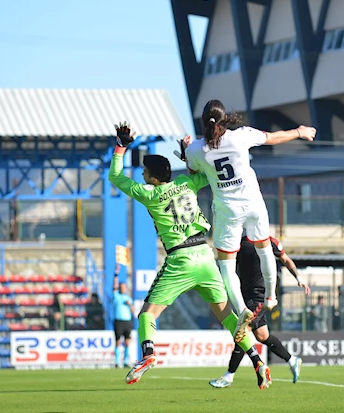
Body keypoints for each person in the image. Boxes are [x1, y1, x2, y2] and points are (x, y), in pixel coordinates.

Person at [108, 122, 272, 389]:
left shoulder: (149, 193)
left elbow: (115, 177)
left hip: (180, 259)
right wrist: (189, 155)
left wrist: (121, 146)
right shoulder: (186, 183)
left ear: (151, 177)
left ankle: (148, 354)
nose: (143, 176)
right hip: (205, 256)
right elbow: (210, 173)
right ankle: (257, 362)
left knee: (147, 315)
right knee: (228, 316)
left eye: (145, 172)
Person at [183, 99, 316, 340]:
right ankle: (271, 297)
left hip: (227, 211)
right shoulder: (241, 136)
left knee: (226, 264)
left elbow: (193, 170)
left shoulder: (196, 149)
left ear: (203, 122)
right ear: (225, 119)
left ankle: (242, 310)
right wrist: (300, 131)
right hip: (253, 203)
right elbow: (274, 138)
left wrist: (185, 149)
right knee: (264, 249)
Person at [209, 236, 310, 388]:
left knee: (242, 332)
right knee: (263, 336)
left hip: (260, 296)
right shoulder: (238, 242)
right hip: (244, 295)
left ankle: (229, 376)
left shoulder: (269, 241)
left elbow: (286, 259)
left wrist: (299, 277)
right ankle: (291, 360)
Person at [112, 263, 135, 368]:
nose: (122, 288)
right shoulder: (116, 296)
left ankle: (126, 361)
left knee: (127, 342)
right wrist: (116, 273)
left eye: (124, 287)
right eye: (121, 287)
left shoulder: (128, 299)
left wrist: (129, 305)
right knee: (118, 341)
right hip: (119, 321)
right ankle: (117, 361)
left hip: (127, 322)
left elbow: (133, 311)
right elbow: (114, 286)